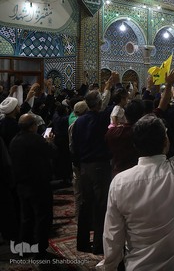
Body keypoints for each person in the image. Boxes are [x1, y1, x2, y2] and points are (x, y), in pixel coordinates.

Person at [98, 72, 174, 271]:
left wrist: (110, 264)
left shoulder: (119, 183)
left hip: (140, 265)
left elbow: (112, 234)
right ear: (165, 142)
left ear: (136, 146)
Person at [70, 73, 115, 254]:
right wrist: (108, 88)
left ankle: (81, 243)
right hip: (99, 167)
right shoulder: (101, 119)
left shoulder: (78, 122)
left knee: (85, 204)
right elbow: (106, 107)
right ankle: (98, 245)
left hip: (84, 168)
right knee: (100, 205)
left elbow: (74, 147)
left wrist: (78, 165)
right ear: (97, 104)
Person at [8, 112, 57, 259]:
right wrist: (50, 142)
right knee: (42, 218)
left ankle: (25, 248)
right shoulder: (36, 139)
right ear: (32, 126)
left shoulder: (14, 140)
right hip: (38, 184)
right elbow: (52, 153)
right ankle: (40, 250)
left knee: (26, 218)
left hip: (22, 185)